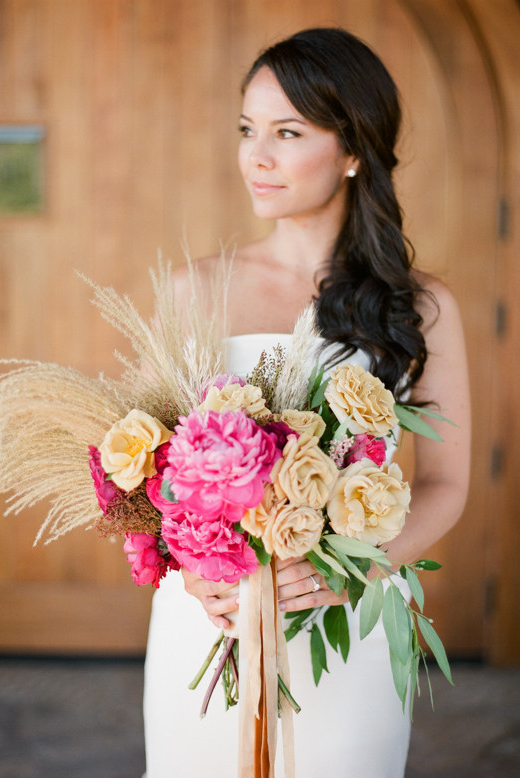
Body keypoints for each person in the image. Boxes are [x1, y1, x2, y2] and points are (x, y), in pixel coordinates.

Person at [142, 27, 470, 777]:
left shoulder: (423, 309)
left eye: (287, 133)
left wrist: (356, 566)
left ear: (352, 149)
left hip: (347, 625)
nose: (256, 156)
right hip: (212, 619)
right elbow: (152, 473)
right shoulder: (194, 289)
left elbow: (448, 483)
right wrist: (191, 568)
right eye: (248, 129)